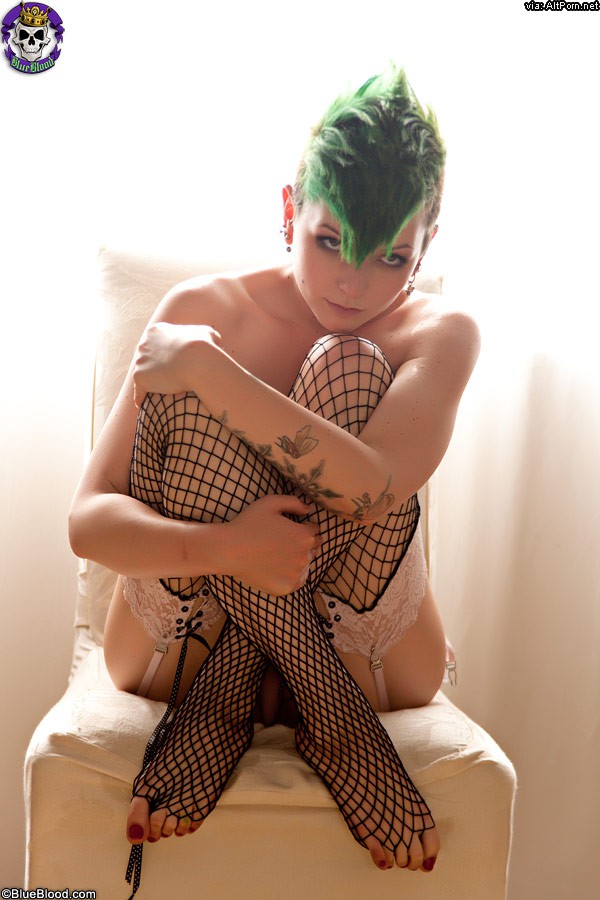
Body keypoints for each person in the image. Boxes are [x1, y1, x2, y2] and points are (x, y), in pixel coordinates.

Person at [69, 67, 479, 895]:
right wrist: (226, 547)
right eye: (330, 242)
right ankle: (317, 710)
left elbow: (371, 490)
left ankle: (254, 694)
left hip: (365, 644)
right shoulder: (203, 308)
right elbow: (88, 522)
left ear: (427, 243)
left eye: (392, 257)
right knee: (193, 413)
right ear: (291, 210)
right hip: (184, 630)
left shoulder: (441, 332)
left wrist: (211, 373)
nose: (355, 283)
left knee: (347, 370)